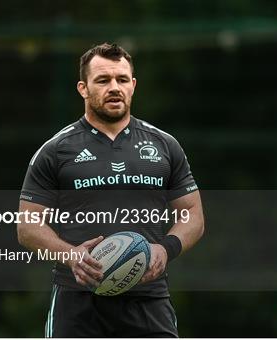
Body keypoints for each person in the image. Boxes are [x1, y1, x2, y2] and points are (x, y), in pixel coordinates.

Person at [17, 43, 204, 337]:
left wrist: (165, 249)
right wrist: (70, 255)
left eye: (122, 79)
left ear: (133, 85)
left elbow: (192, 213)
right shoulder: (56, 150)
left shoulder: (165, 145)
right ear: (83, 88)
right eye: (103, 80)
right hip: (77, 303)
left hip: (148, 299)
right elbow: (27, 225)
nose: (114, 87)